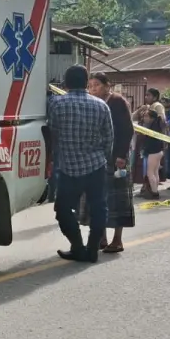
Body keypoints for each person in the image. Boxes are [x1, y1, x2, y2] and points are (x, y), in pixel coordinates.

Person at [47, 64, 113, 262]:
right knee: (99, 208)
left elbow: (52, 134)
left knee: (62, 209)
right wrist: (104, 159)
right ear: (86, 83)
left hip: (68, 168)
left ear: (66, 83)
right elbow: (109, 138)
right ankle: (92, 250)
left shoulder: (56, 104)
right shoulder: (101, 105)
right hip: (96, 166)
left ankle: (77, 246)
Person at [83, 72, 135, 253]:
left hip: (116, 159)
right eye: (90, 85)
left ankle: (117, 240)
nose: (93, 88)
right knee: (99, 199)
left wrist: (121, 156)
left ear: (107, 85)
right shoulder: (93, 103)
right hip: (98, 158)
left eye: (96, 84)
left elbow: (127, 130)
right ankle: (101, 238)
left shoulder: (117, 101)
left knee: (117, 199)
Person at [139, 107, 166, 200]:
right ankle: (155, 190)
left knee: (150, 173)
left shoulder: (152, 127)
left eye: (146, 116)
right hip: (158, 151)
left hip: (153, 152)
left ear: (152, 118)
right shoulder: (156, 126)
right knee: (155, 172)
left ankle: (154, 192)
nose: (144, 118)